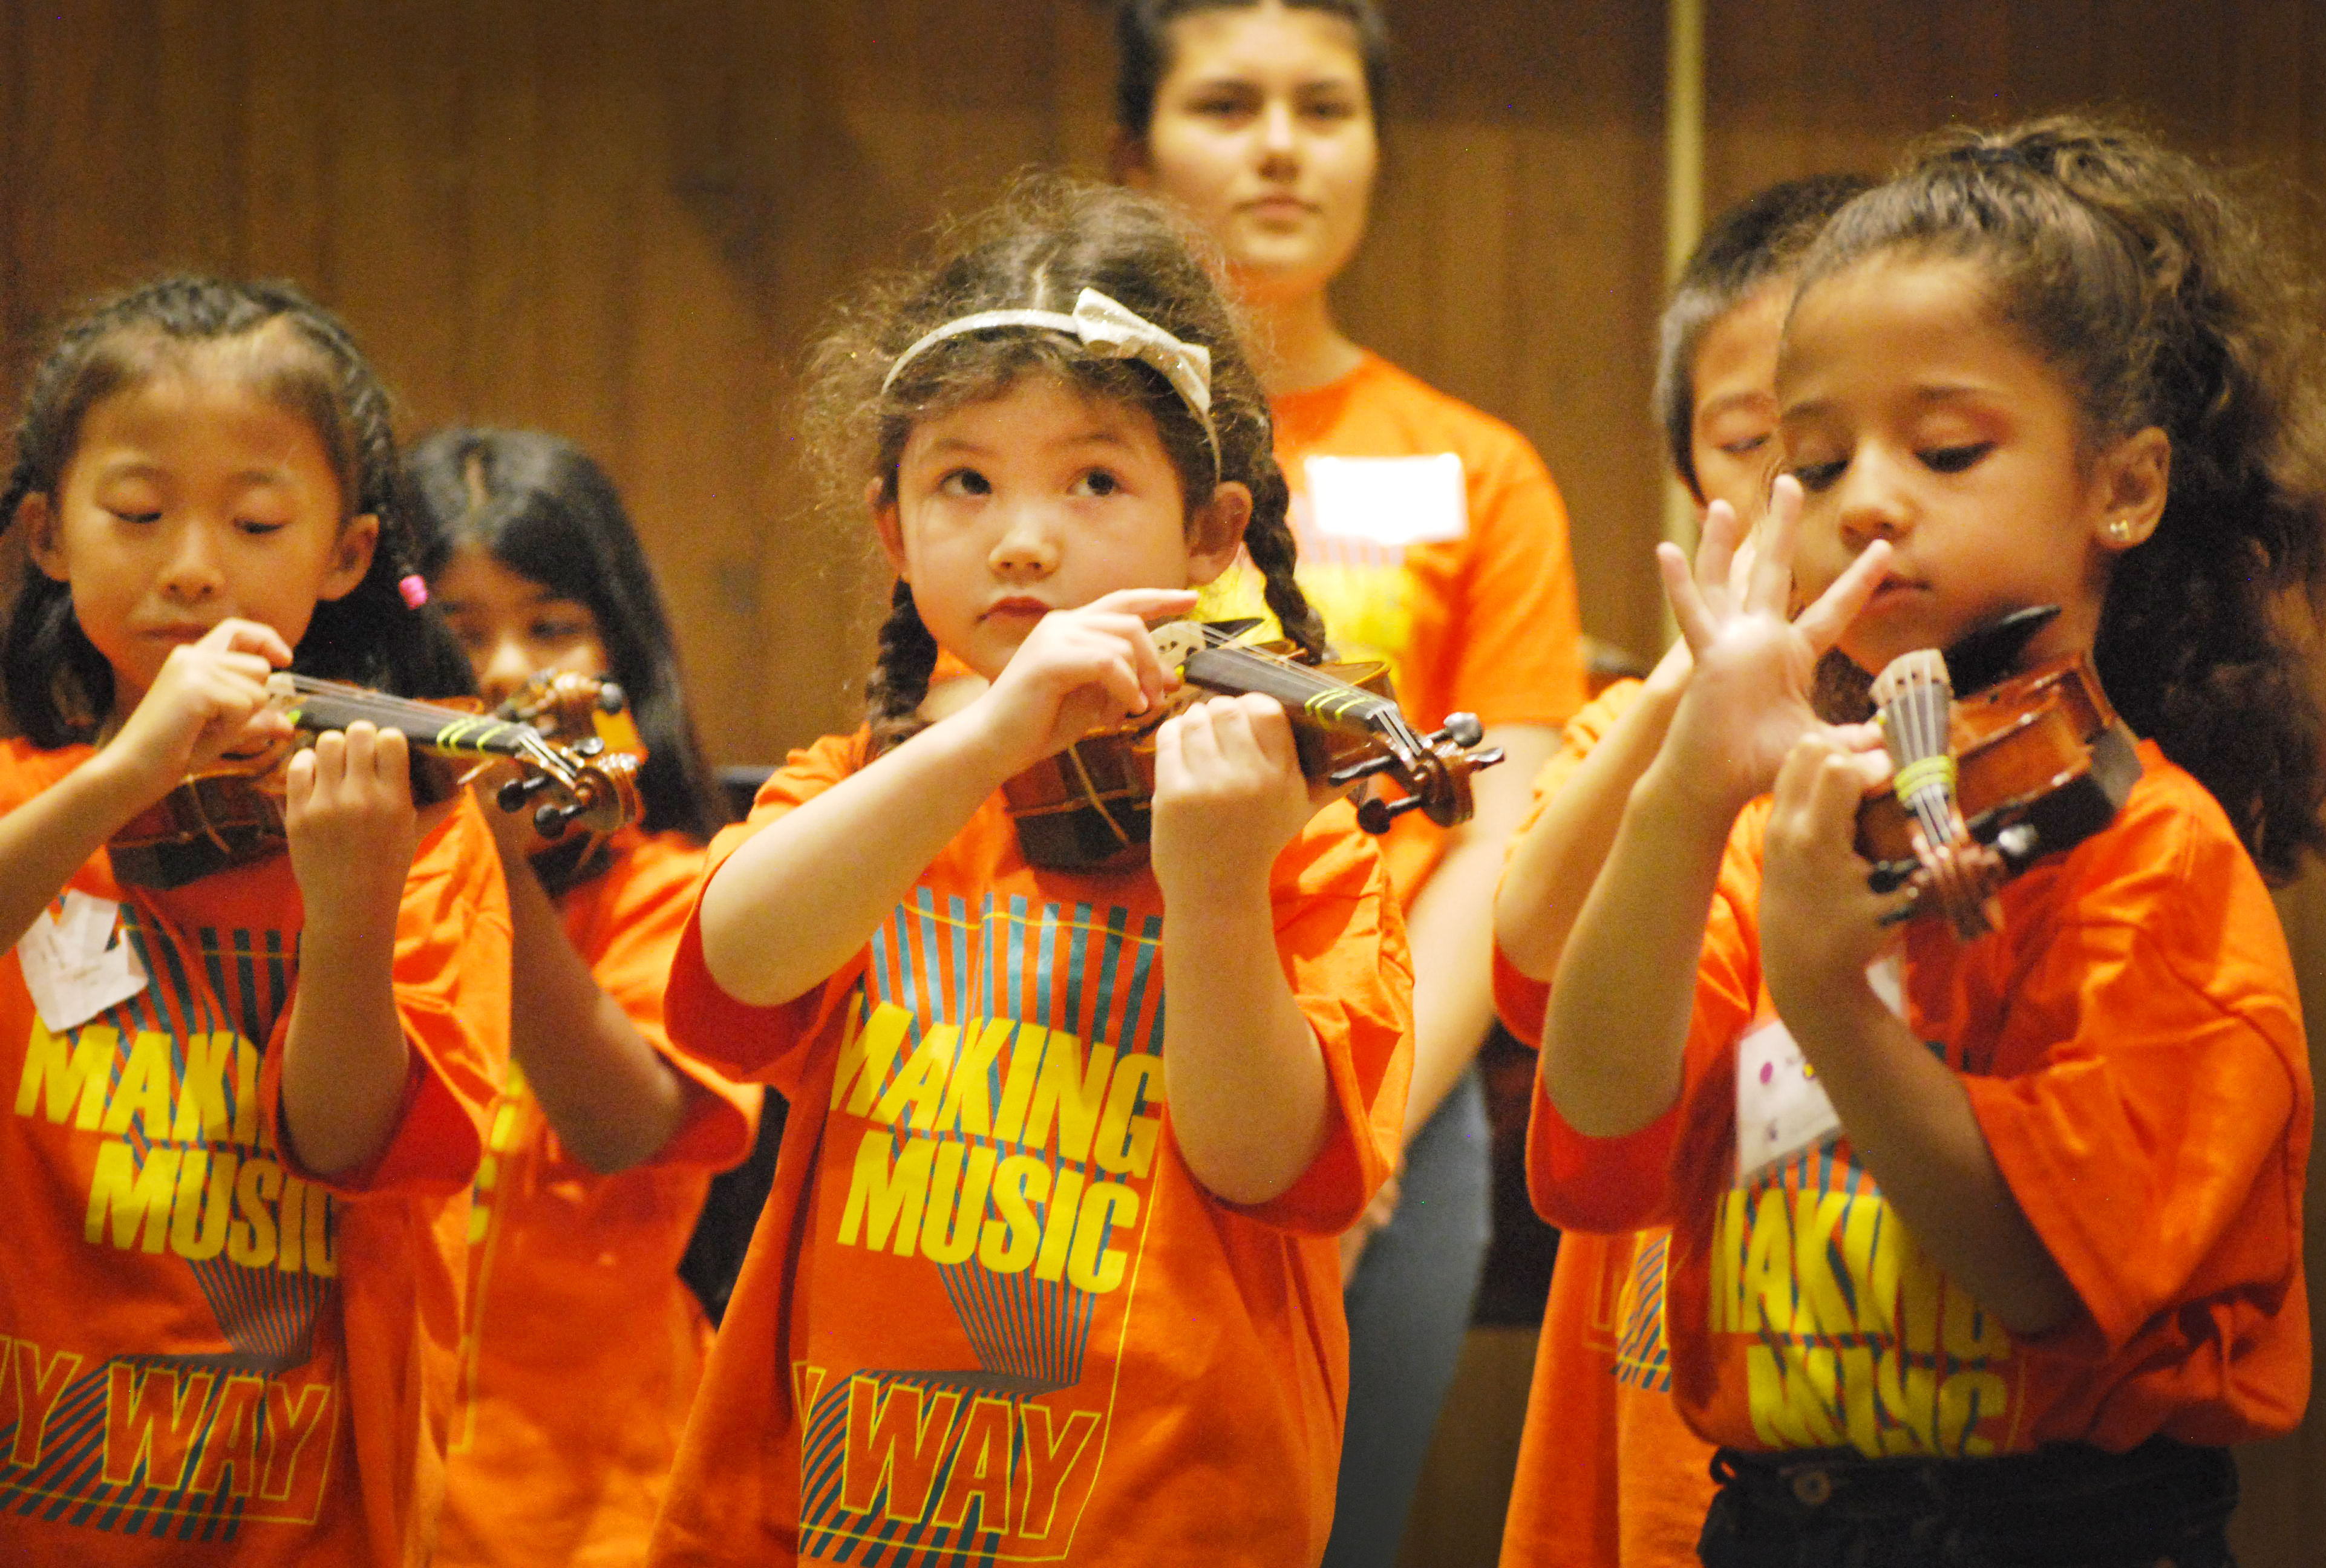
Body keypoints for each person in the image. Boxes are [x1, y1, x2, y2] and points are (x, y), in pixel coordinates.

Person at [1540, 116, 2326, 1566]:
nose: (1865, 502)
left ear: (2125, 486)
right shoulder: (1792, 824)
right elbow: (1589, 1161)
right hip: (1779, 1519)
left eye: (1947, 447)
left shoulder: (2152, 854)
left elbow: (2035, 1276)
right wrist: (1681, 792)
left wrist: (1834, 1001)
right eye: (1817, 456)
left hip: (2051, 1535)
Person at [646, 180, 1413, 1566]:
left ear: (1211, 532)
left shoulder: (1280, 834)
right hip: (834, 1519)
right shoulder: (867, 803)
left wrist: (1218, 893)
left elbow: (1267, 1169)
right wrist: (990, 737)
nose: (1022, 537)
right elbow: (726, 977)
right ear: (894, 530)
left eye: (1095, 479)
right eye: (966, 481)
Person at [1109, 6, 1585, 1553]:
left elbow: (1503, 809)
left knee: (1336, 1533)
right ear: (1136, 150)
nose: (1277, 144)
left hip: (1394, 1059)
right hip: (1088, 1036)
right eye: (1225, 103)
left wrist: (1367, 1112)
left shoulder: (1480, 467)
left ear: (1377, 148)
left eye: (1324, 107)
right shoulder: (1059, 450)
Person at [0, 276, 512, 1565]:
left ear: (347, 554)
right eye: (136, 511)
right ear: (47, 536)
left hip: (297, 1521)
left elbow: (347, 1147)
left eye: (256, 520)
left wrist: (350, 910)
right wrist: (126, 775)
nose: (191, 566)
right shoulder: (24, 799)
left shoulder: (414, 829)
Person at [1492, 175, 1871, 1568]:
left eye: (1828, 449)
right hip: (1645, 1424)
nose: (1791, 492)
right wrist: (1689, 686)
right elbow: (1527, 967)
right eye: (1747, 445)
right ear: (1689, 475)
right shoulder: (1633, 737)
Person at [410, 428, 762, 1568]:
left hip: (605, 1522)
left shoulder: (684, 886)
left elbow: (622, 1130)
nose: (508, 671)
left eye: (551, 625)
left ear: (622, 651)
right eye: (458, 636)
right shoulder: (351, 881)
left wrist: (496, 862)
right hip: (365, 1500)